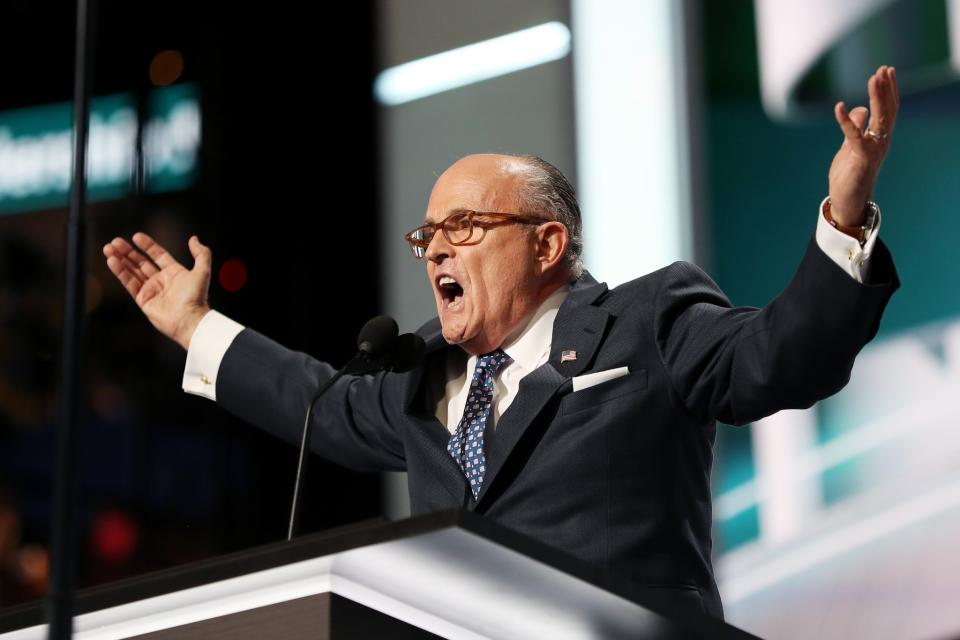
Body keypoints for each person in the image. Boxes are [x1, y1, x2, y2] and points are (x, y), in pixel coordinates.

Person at [103, 67, 900, 618]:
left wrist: (843, 222)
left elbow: (781, 358)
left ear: (548, 245)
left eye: (465, 227)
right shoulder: (420, 374)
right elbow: (318, 404)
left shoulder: (647, 320)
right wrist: (192, 325)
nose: (437, 251)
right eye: (429, 237)